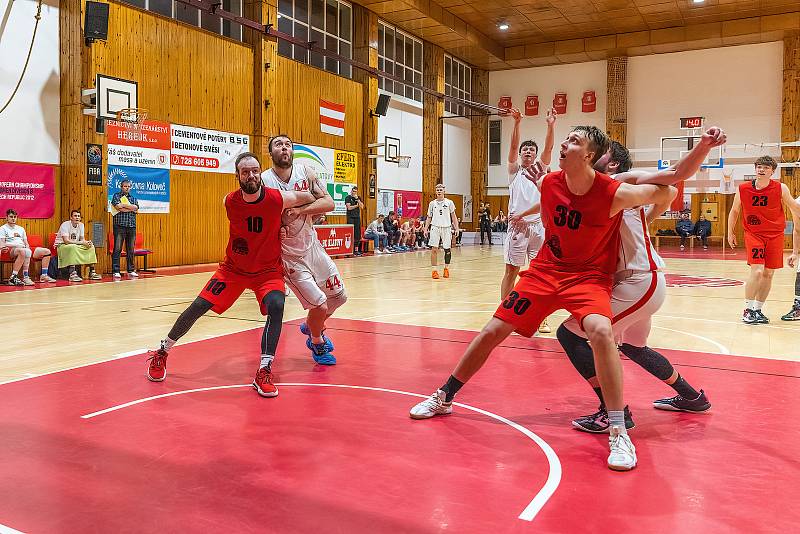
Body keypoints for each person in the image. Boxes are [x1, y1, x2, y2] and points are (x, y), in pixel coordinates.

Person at [410, 126, 675, 471]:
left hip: (588, 278)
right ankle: (444, 395)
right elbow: (551, 220)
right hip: (546, 273)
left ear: (590, 156)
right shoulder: (550, 184)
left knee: (601, 332)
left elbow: (666, 189)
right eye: (566, 138)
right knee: (493, 329)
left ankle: (617, 428)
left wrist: (649, 188)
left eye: (574, 141)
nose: (565, 144)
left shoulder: (613, 191)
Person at [554, 132, 726, 433]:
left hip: (639, 281)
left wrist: (703, 146)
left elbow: (675, 176)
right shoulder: (594, 191)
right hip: (644, 282)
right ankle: (692, 397)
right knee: (633, 347)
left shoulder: (623, 181)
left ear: (611, 162)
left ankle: (613, 411)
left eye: (599, 153)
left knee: (572, 335)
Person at [144, 152, 318, 397]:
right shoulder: (229, 201)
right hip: (233, 270)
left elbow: (309, 196)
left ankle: (264, 369)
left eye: (255, 170)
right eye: (245, 171)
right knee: (198, 306)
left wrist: (297, 210)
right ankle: (162, 351)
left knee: (277, 305)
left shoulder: (277, 198)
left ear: (261, 173)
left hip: (267, 271)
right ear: (237, 175)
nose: (251, 175)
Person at [262, 134, 347, 365]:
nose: (284, 148)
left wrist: (300, 211)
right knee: (319, 303)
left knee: (339, 297)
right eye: (278, 145)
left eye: (288, 145)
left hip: (313, 246)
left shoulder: (306, 173)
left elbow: (328, 203)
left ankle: (312, 325)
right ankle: (317, 341)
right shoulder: (264, 181)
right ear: (271, 153)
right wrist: (276, 227)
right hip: (289, 256)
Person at [501, 107, 556, 334]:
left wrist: (551, 125)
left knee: (538, 274)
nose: (528, 152)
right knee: (511, 271)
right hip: (517, 227)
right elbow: (513, 146)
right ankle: (504, 314)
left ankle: (539, 316)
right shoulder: (514, 171)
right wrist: (516, 123)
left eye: (531, 150)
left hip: (537, 226)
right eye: (525, 149)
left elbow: (549, 147)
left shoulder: (540, 170)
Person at [727, 156, 800, 324]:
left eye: (766, 168)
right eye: (759, 167)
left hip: (775, 235)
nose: (761, 170)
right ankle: (747, 310)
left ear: (772, 171)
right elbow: (735, 211)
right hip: (754, 234)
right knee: (758, 270)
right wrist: (730, 232)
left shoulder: (781, 188)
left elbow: (794, 207)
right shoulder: (743, 188)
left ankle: (757, 310)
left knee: (768, 273)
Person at [0, 209, 56, 286]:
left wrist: (27, 247)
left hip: (22, 247)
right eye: (11, 217)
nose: (13, 218)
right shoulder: (3, 228)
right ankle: (19, 277)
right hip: (10, 249)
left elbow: (26, 242)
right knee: (23, 251)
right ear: (6, 218)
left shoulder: (21, 229)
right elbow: (2, 241)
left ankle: (44, 275)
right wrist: (2, 247)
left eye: (15, 217)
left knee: (46, 251)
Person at [423, 184, 459, 279]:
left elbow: (453, 216)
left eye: (440, 190)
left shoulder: (449, 202)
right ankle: (434, 271)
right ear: (436, 191)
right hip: (435, 227)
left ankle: (446, 269)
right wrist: (426, 229)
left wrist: (457, 228)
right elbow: (429, 217)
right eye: (437, 190)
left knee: (447, 249)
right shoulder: (432, 204)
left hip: (446, 227)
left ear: (444, 191)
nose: (439, 191)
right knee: (434, 249)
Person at [55, 209, 101, 282]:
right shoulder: (65, 224)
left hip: (75, 245)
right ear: (71, 217)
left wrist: (87, 243)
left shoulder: (81, 225)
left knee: (91, 247)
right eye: (75, 216)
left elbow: (82, 239)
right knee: (72, 247)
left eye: (78, 216)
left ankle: (92, 272)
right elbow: (66, 241)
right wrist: (82, 243)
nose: (77, 218)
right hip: (62, 245)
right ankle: (72, 273)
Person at [110, 179, 140, 279]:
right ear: (121, 187)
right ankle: (116, 271)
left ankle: (131, 270)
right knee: (117, 248)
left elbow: (136, 208)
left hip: (131, 226)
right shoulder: (116, 196)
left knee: (130, 249)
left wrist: (125, 206)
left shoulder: (133, 198)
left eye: (128, 186)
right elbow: (118, 207)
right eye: (125, 186)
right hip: (119, 226)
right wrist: (130, 208)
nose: (127, 188)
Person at [344, 186, 364, 256]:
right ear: (351, 191)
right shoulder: (348, 198)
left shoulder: (358, 198)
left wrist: (357, 200)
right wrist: (356, 206)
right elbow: (349, 208)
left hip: (357, 217)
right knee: (350, 233)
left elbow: (362, 207)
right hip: (350, 217)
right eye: (353, 191)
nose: (354, 192)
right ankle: (349, 250)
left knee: (357, 234)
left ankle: (356, 250)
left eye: (355, 191)